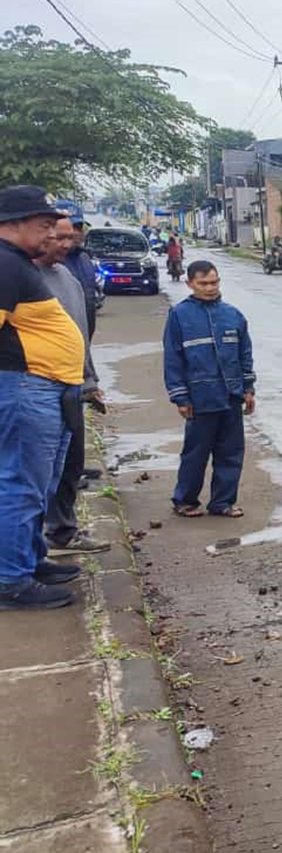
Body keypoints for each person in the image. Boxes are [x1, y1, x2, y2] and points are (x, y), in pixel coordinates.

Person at [0, 186, 86, 610]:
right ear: (11, 224)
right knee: (22, 484)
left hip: (47, 388)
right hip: (26, 387)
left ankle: (30, 561)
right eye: (44, 224)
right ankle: (11, 580)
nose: (53, 232)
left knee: (41, 484)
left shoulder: (17, 263)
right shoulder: (3, 263)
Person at [34, 217, 109, 556]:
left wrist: (90, 382)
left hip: (71, 387)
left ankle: (62, 531)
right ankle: (30, 545)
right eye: (58, 237)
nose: (65, 244)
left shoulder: (68, 277)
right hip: (36, 390)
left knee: (71, 463)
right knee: (35, 471)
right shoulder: (22, 278)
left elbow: (79, 337)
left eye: (69, 237)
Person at [163, 260, 255, 518]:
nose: (210, 288)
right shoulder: (179, 316)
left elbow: (244, 355)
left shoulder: (233, 315)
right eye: (203, 284)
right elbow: (173, 359)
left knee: (231, 452)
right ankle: (185, 500)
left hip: (231, 397)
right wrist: (180, 397)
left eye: (214, 282)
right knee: (196, 453)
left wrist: (248, 388)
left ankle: (222, 502)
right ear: (190, 283)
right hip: (200, 399)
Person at [63, 220, 100, 339]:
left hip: (84, 336)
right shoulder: (48, 261)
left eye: (79, 228)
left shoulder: (84, 259)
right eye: (71, 227)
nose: (76, 233)